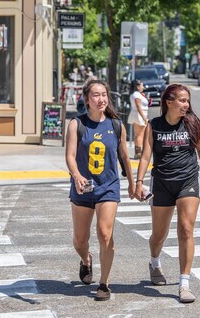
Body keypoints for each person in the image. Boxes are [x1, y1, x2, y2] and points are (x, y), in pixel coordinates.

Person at [135, 84, 200, 304]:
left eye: (187, 101)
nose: (186, 105)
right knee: (158, 235)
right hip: (162, 184)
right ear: (169, 102)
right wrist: (138, 182)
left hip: (188, 181)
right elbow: (146, 157)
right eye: (182, 100)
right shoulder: (153, 126)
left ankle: (184, 283)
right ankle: (155, 262)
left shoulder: (193, 124)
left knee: (185, 229)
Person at [65, 79, 135, 301]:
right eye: (96, 95)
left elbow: (124, 156)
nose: (101, 99)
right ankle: (86, 260)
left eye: (104, 94)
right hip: (83, 188)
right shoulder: (77, 124)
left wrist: (134, 183)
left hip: (108, 187)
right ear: (87, 99)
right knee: (79, 240)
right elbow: (69, 156)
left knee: (105, 234)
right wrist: (77, 175)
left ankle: (104, 283)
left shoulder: (116, 125)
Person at [127, 79, 149, 159]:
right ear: (137, 86)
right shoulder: (136, 94)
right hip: (139, 114)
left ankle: (137, 152)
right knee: (140, 134)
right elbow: (138, 106)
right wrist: (144, 118)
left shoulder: (136, 94)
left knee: (137, 134)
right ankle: (139, 152)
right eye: (141, 85)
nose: (143, 87)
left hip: (138, 114)